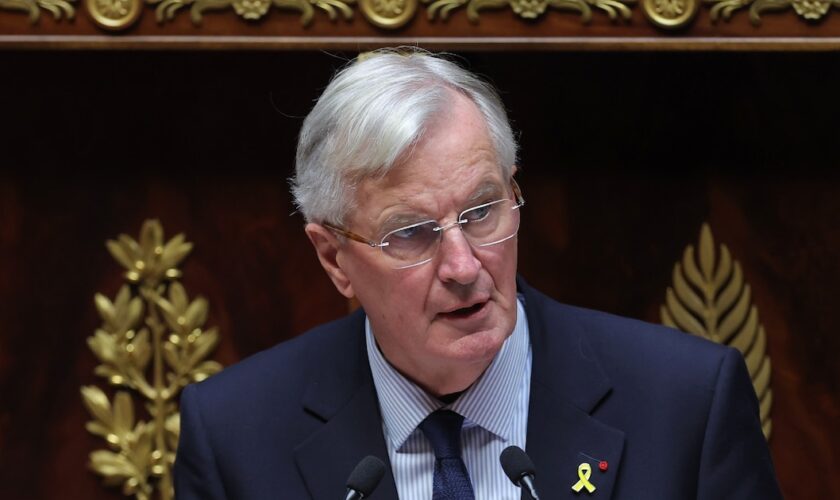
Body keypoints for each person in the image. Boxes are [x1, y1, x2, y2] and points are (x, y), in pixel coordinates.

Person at [174, 48, 782, 500]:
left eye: (482, 211)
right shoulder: (235, 439)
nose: (464, 267)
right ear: (334, 259)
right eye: (411, 232)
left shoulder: (687, 406)